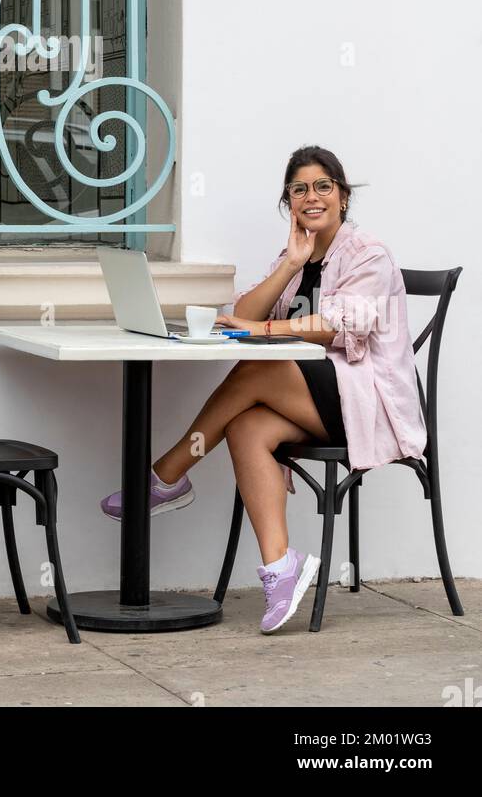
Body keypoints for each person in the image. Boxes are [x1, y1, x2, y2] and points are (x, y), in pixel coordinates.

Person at [100, 145, 427, 633]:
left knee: (258, 367)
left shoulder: (369, 255)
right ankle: (281, 568)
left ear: (341, 195)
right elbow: (248, 314)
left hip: (366, 403)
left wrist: (262, 334)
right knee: (247, 425)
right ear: (288, 201)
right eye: (299, 190)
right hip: (316, 399)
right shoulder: (296, 254)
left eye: (322, 186)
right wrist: (288, 266)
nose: (311, 197)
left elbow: (340, 325)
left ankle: (167, 475)